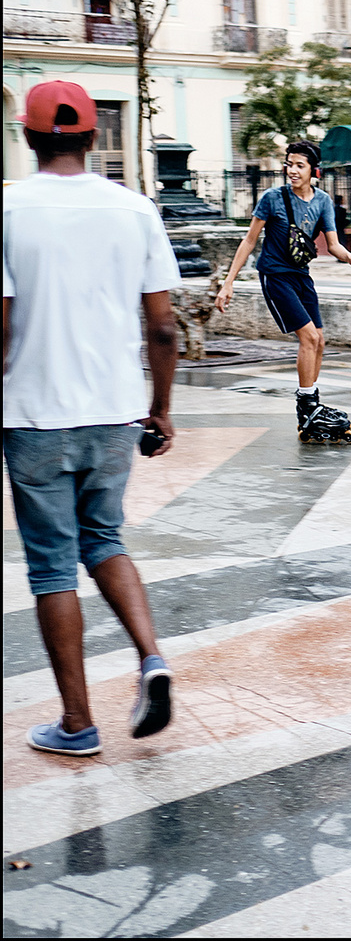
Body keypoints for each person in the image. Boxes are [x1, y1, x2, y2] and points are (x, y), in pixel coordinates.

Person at [3, 80, 180, 755]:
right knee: (104, 538)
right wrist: (160, 409)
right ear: (87, 137)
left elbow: (1, 327)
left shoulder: (9, 210)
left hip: (33, 416)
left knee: (52, 568)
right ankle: (151, 657)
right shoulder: (134, 210)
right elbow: (161, 327)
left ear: (28, 135)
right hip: (114, 412)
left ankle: (77, 724)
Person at [214, 140, 351, 443]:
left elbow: (332, 244)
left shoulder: (322, 201)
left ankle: (309, 405)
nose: (292, 171)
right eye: (289, 164)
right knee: (308, 336)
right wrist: (228, 282)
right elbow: (249, 240)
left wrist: (350, 258)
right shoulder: (272, 198)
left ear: (314, 171)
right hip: (275, 274)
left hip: (301, 275)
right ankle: (307, 406)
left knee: (320, 340)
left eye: (300, 165)